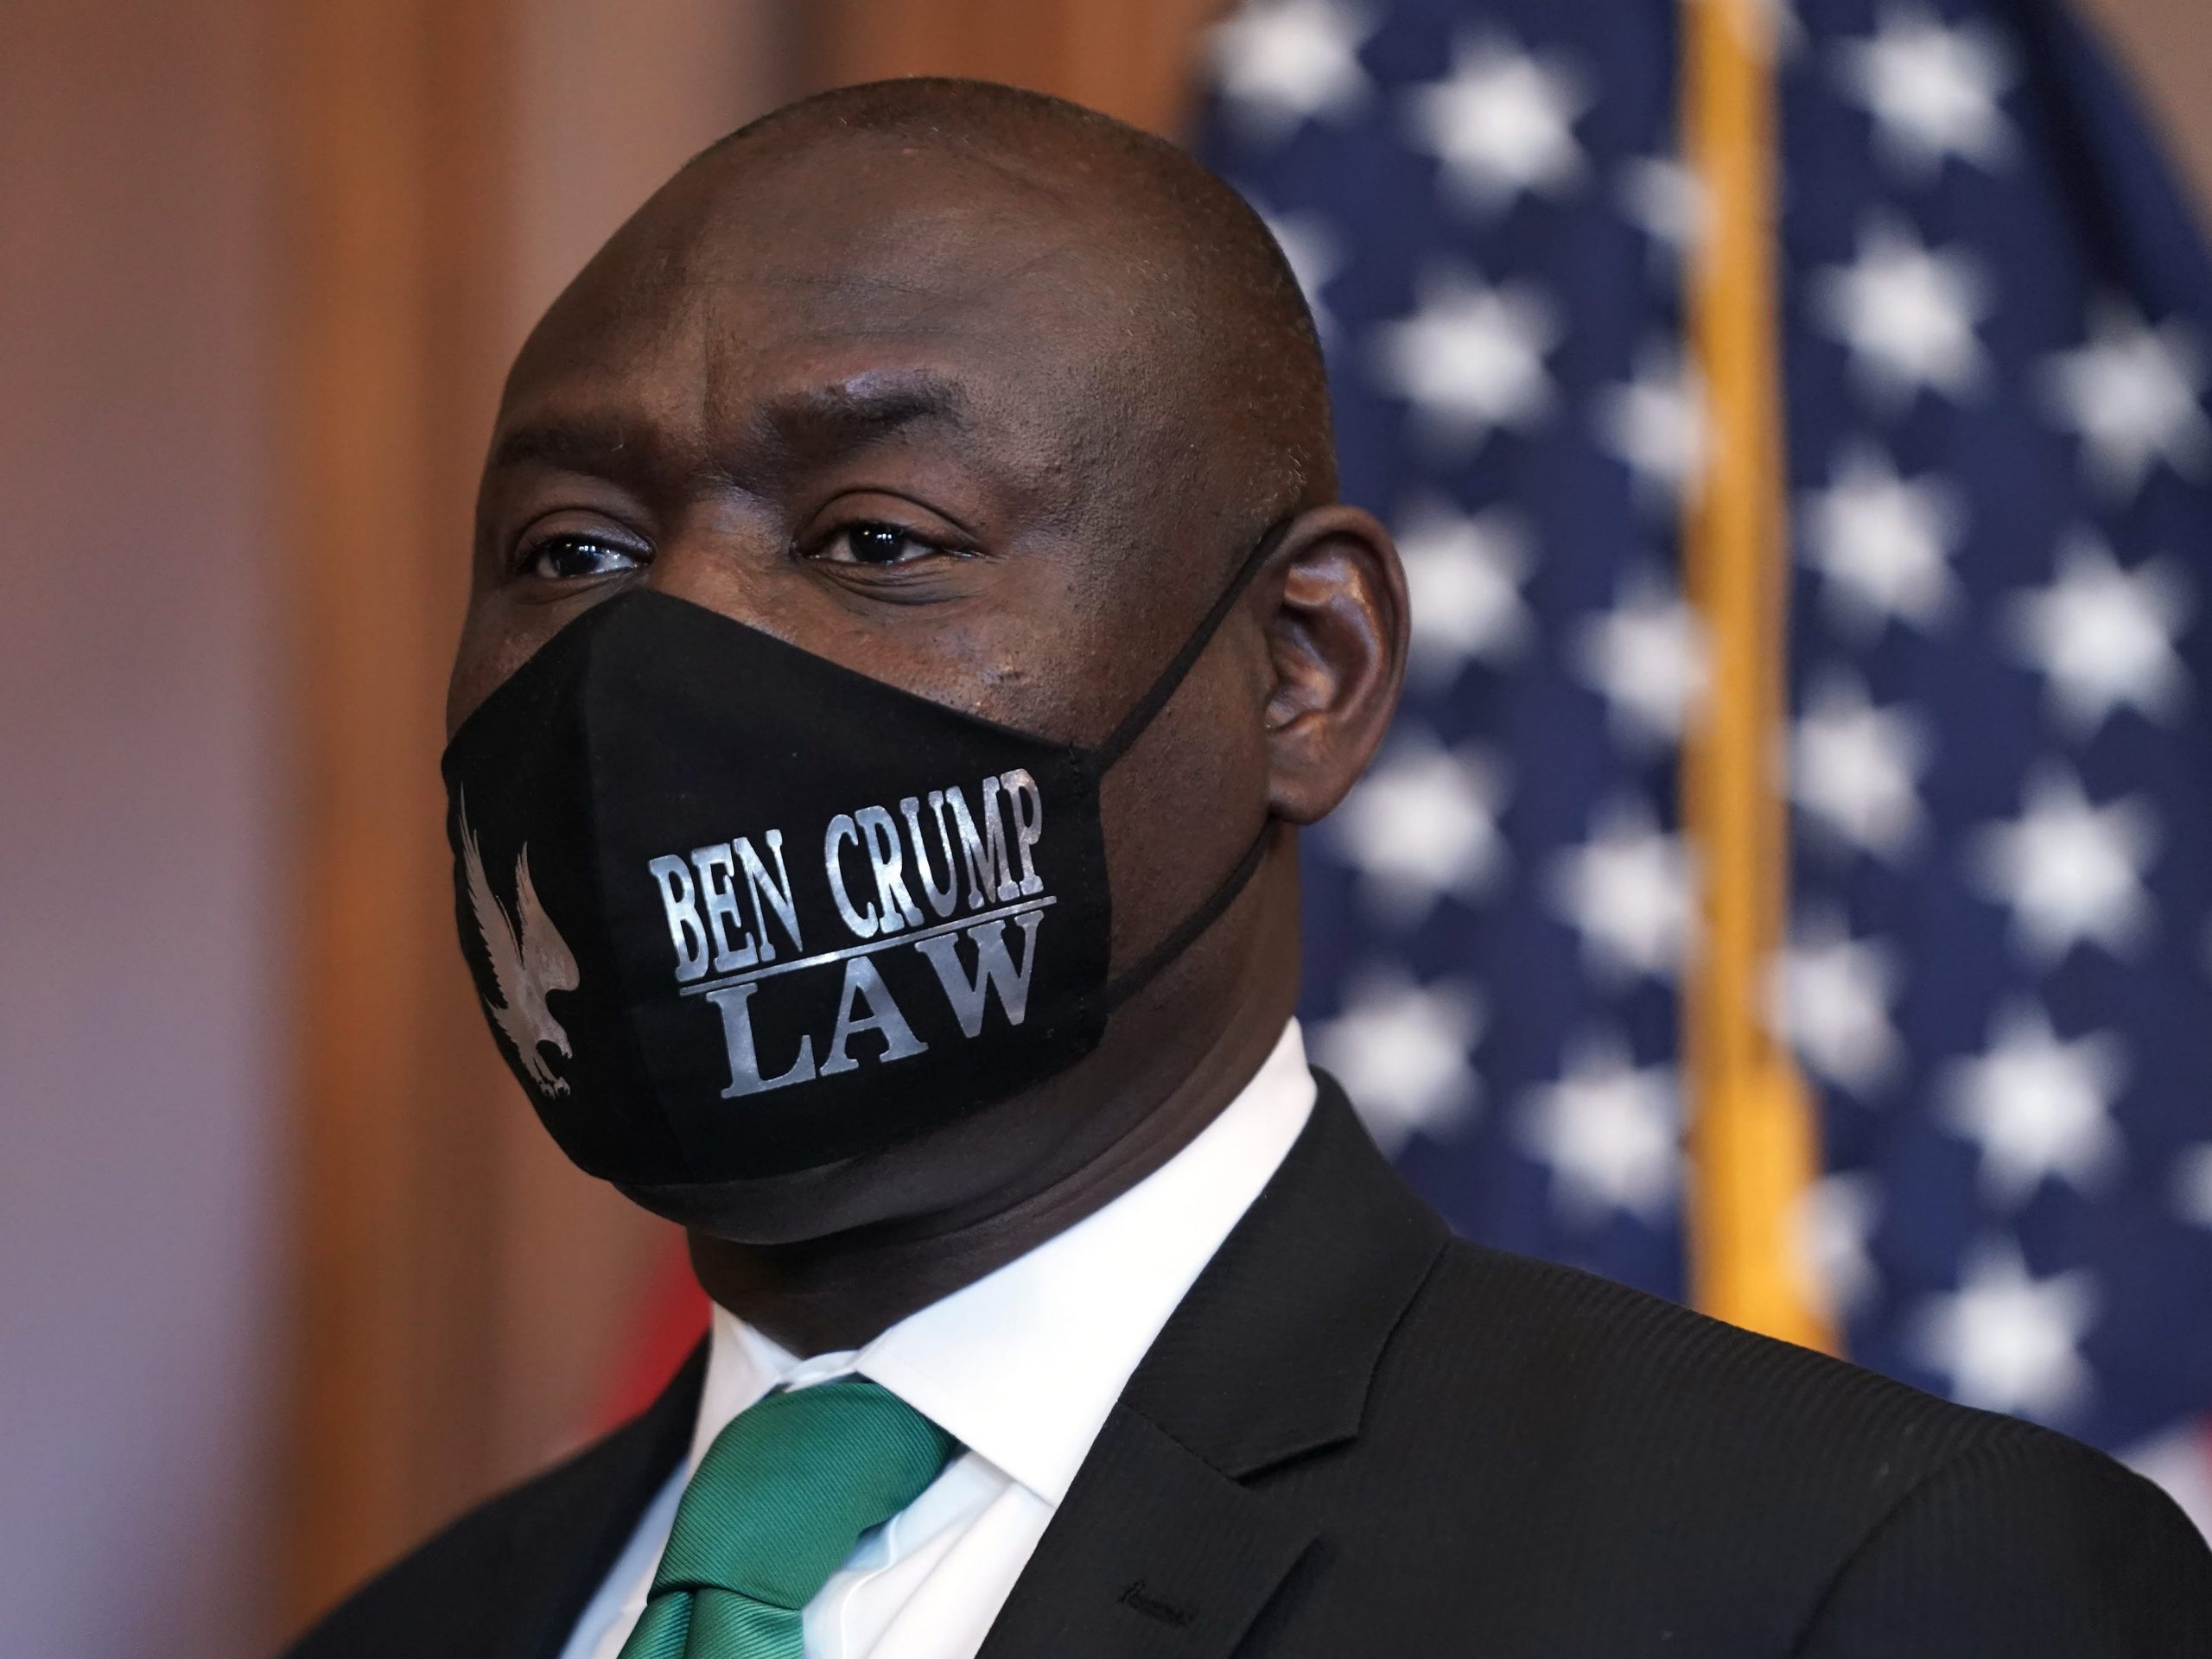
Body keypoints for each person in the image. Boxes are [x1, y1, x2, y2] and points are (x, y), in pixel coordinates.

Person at [283, 78, 2212, 1659]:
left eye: (877, 539)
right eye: (572, 559)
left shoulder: (1854, 1584)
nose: (670, 656)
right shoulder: (401, 1637)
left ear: (1304, 671)